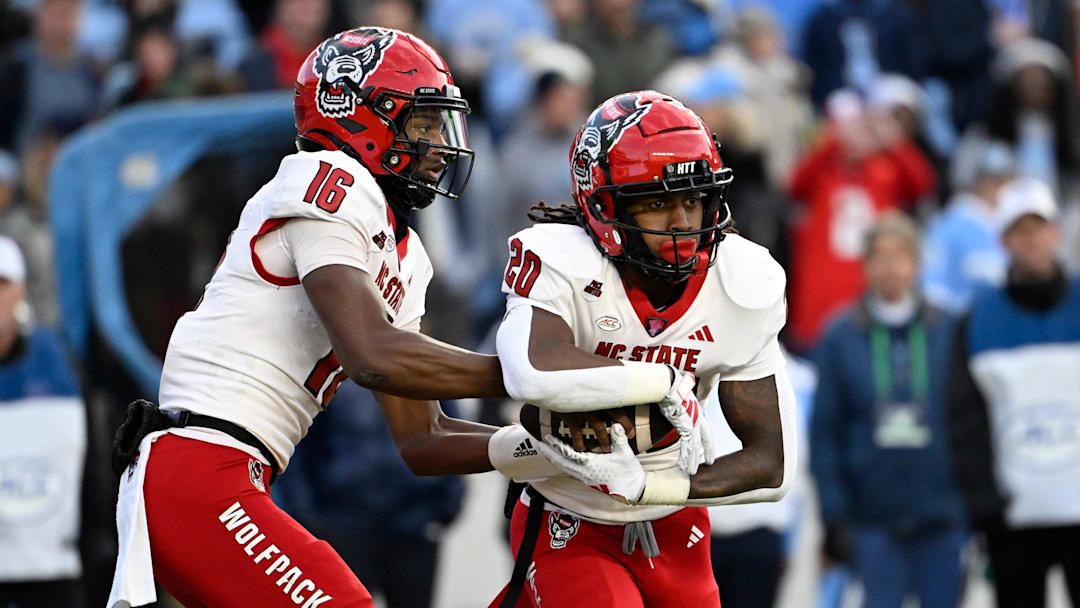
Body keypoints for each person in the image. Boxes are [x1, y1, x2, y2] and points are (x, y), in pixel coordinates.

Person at [106, 28, 698, 608]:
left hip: (232, 476)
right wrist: (544, 378)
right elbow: (373, 355)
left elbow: (424, 438)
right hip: (198, 468)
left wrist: (550, 451)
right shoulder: (325, 180)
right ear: (358, 117)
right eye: (421, 124)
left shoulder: (405, 256)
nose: (440, 146)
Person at [488, 90, 797, 608]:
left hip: (676, 526)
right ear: (604, 206)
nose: (682, 221)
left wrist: (650, 488)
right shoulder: (561, 259)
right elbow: (531, 372)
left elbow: (770, 467)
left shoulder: (746, 280)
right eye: (657, 202)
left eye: (693, 199)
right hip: (569, 518)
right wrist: (663, 381)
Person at [811, 212, 967, 608]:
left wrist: (975, 501)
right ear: (864, 265)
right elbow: (825, 431)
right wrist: (834, 513)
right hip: (872, 515)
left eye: (900, 256)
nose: (890, 267)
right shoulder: (840, 335)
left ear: (916, 263)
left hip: (942, 511)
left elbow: (968, 420)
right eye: (879, 256)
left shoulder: (948, 329)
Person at [947, 177, 1080, 608]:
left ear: (1055, 232)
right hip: (1013, 516)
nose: (1032, 239)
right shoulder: (979, 318)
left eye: (1039, 227)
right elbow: (964, 419)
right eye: (1020, 230)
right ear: (1004, 240)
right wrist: (985, 503)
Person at [0, 236, 89, 608]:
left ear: (20, 290)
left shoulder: (60, 367)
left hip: (56, 575)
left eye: (1, 284)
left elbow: (93, 471)